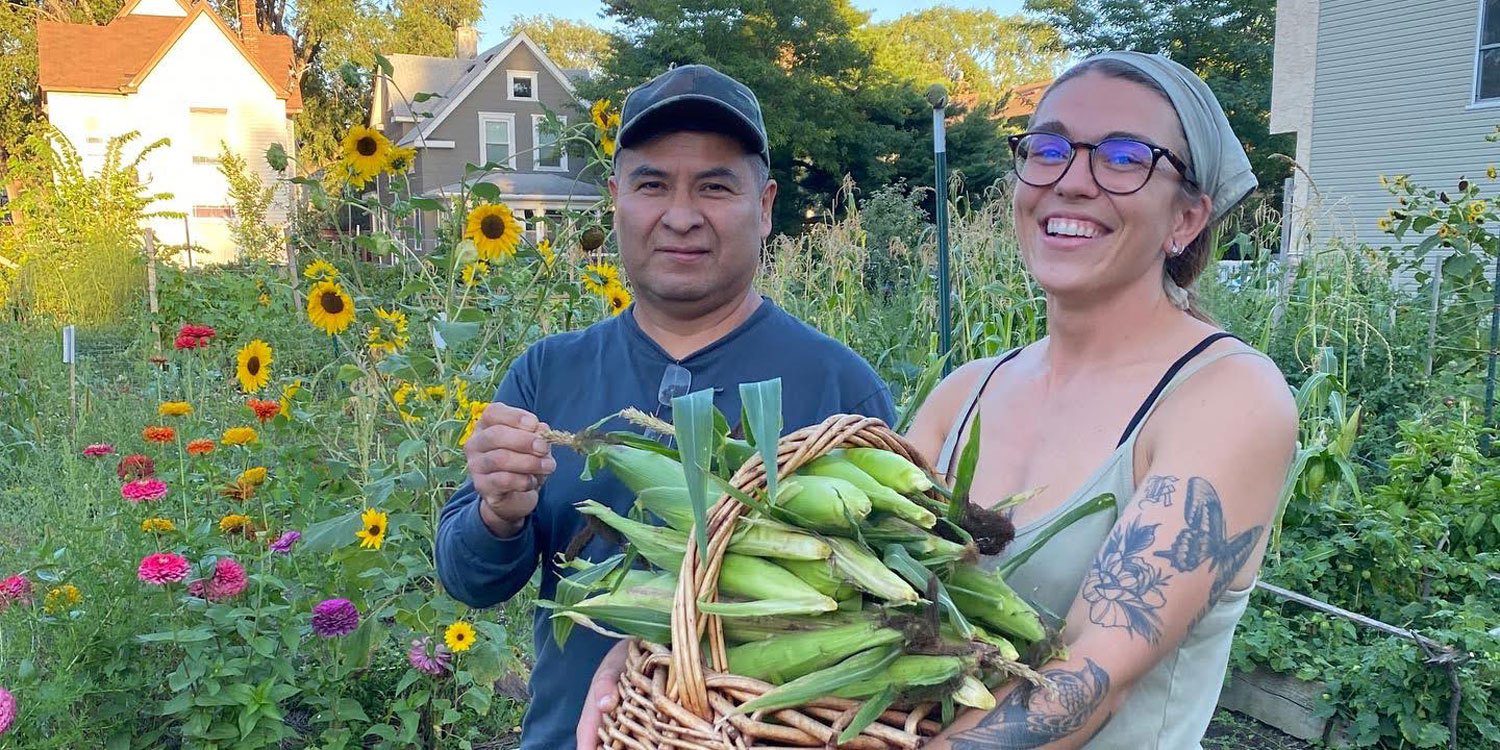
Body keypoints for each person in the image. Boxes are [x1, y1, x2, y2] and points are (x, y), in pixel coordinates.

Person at [577, 51, 1298, 750]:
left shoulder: (1225, 396)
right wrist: (664, 645)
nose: (1071, 182)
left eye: (1123, 157)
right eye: (1048, 148)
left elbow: (1089, 680)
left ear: (1187, 219)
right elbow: (844, 587)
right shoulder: (965, 394)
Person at [435, 63, 897, 750]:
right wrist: (499, 514)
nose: (681, 215)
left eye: (716, 186)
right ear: (616, 198)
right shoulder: (547, 373)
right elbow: (470, 580)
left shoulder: (837, 389)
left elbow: (889, 617)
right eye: (653, 185)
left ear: (765, 206)